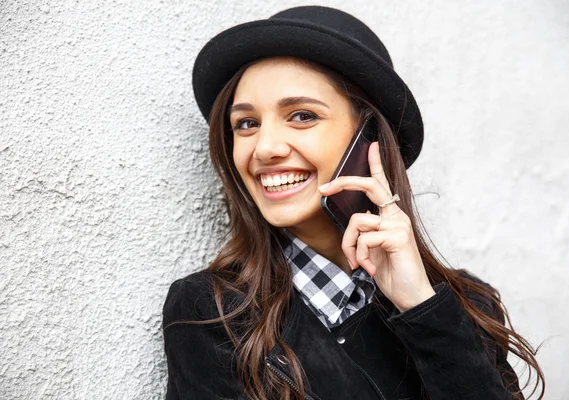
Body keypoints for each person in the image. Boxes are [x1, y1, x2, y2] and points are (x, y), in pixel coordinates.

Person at [162, 5, 545, 400]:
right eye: (247, 123)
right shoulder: (213, 314)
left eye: (302, 116)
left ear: (368, 141)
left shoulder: (465, 304)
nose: (266, 147)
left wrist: (421, 308)